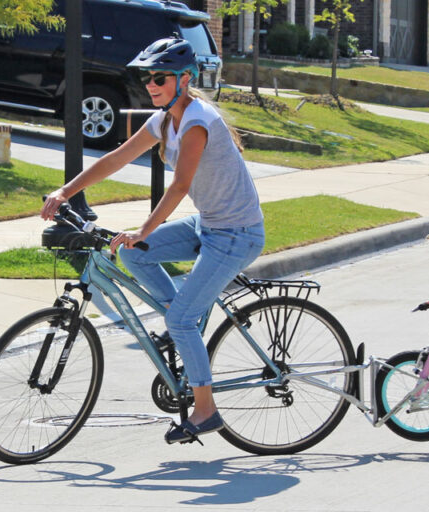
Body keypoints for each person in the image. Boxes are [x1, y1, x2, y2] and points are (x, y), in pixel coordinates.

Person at [41, 37, 265, 444]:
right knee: (134, 256)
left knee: (178, 316)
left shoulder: (197, 121)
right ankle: (181, 322)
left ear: (185, 79)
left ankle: (206, 410)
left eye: (160, 78)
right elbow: (116, 158)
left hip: (237, 234)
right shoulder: (164, 121)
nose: (151, 84)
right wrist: (66, 191)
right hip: (208, 224)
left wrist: (143, 229)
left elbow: (179, 186)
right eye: (148, 78)